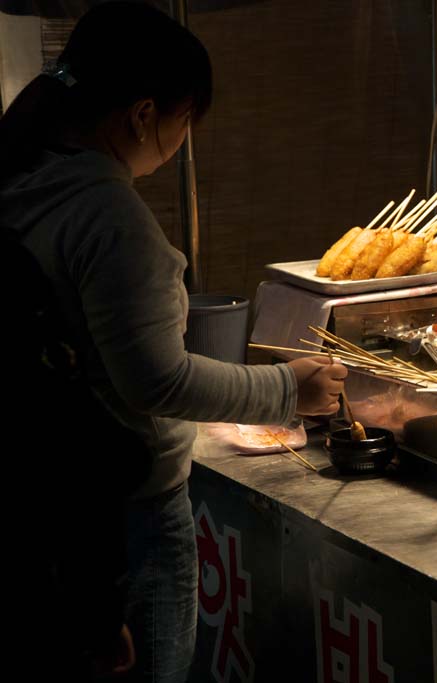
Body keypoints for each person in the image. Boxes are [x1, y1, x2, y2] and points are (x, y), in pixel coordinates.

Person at [0, 3, 347, 681]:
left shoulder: (24, 176)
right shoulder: (106, 214)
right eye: (186, 121)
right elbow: (155, 379)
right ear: (143, 114)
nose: (184, 140)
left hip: (49, 498)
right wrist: (287, 388)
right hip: (120, 521)